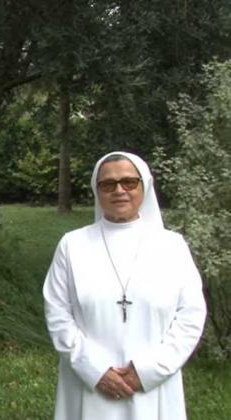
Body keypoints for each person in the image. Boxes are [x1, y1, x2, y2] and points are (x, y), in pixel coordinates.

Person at [43, 151, 207, 419]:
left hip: (153, 386)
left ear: (145, 186)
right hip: (89, 384)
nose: (119, 190)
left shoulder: (172, 246)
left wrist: (147, 372)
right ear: (97, 190)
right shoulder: (72, 245)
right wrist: (95, 370)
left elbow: (191, 316)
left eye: (129, 182)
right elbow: (58, 313)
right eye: (108, 184)